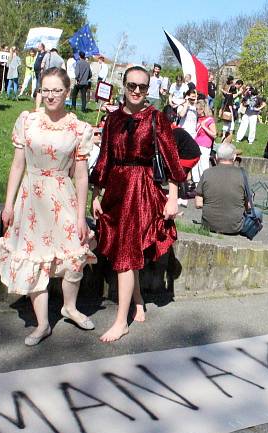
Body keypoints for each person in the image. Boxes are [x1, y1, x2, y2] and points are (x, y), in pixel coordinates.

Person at [0, 67, 97, 346]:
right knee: (34, 258)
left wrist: (82, 215)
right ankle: (42, 324)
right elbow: (17, 164)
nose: (50, 95)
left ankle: (69, 307)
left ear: (67, 92)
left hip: (64, 197)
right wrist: (8, 204)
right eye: (45, 89)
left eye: (56, 90)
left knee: (74, 254)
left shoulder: (79, 128)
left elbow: (81, 174)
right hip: (32, 199)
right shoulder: (28, 121)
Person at [90, 65, 185, 342]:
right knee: (123, 247)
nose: (136, 91)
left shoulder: (156, 118)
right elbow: (104, 157)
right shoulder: (114, 119)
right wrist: (96, 194)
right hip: (117, 188)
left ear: (149, 89)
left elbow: (170, 158)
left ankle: (121, 321)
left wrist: (173, 196)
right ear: (123, 85)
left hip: (141, 188)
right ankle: (139, 298)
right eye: (131, 85)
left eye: (142, 87)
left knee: (127, 252)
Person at [195, 143, 249, 235]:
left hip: (208, 225)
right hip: (234, 227)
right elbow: (248, 205)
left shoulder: (207, 173)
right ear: (234, 157)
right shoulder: (242, 174)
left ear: (216, 156)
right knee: (257, 213)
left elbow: (198, 204)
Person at [191, 99, 215, 185]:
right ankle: (197, 184)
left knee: (203, 165)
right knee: (195, 165)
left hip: (205, 145)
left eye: (199, 109)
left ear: (203, 109)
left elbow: (214, 134)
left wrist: (204, 127)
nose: (197, 111)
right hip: (196, 143)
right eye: (196, 109)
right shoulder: (199, 119)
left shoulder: (209, 120)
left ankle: (206, 184)